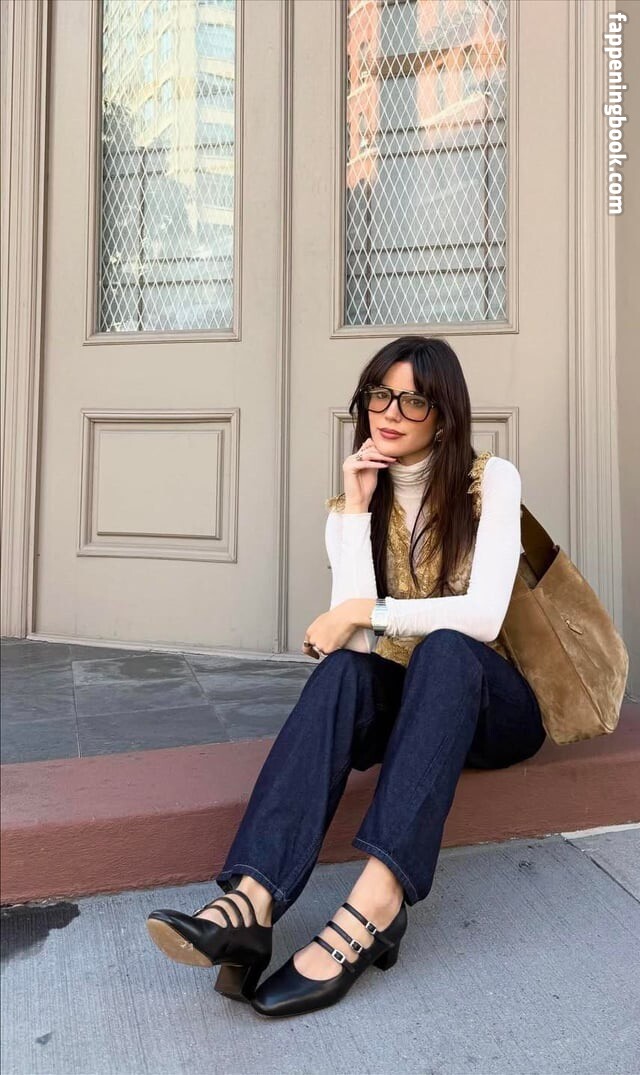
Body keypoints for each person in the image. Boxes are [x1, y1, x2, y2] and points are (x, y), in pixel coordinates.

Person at [146, 334, 546, 1019]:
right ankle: (252, 901)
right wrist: (358, 507)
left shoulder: (492, 480)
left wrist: (365, 609)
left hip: (492, 707)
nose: (389, 412)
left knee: (447, 650)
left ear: (444, 415)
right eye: (379, 395)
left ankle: (376, 904)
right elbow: (357, 644)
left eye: (413, 400)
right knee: (343, 676)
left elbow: (482, 618)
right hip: (415, 707)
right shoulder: (352, 506)